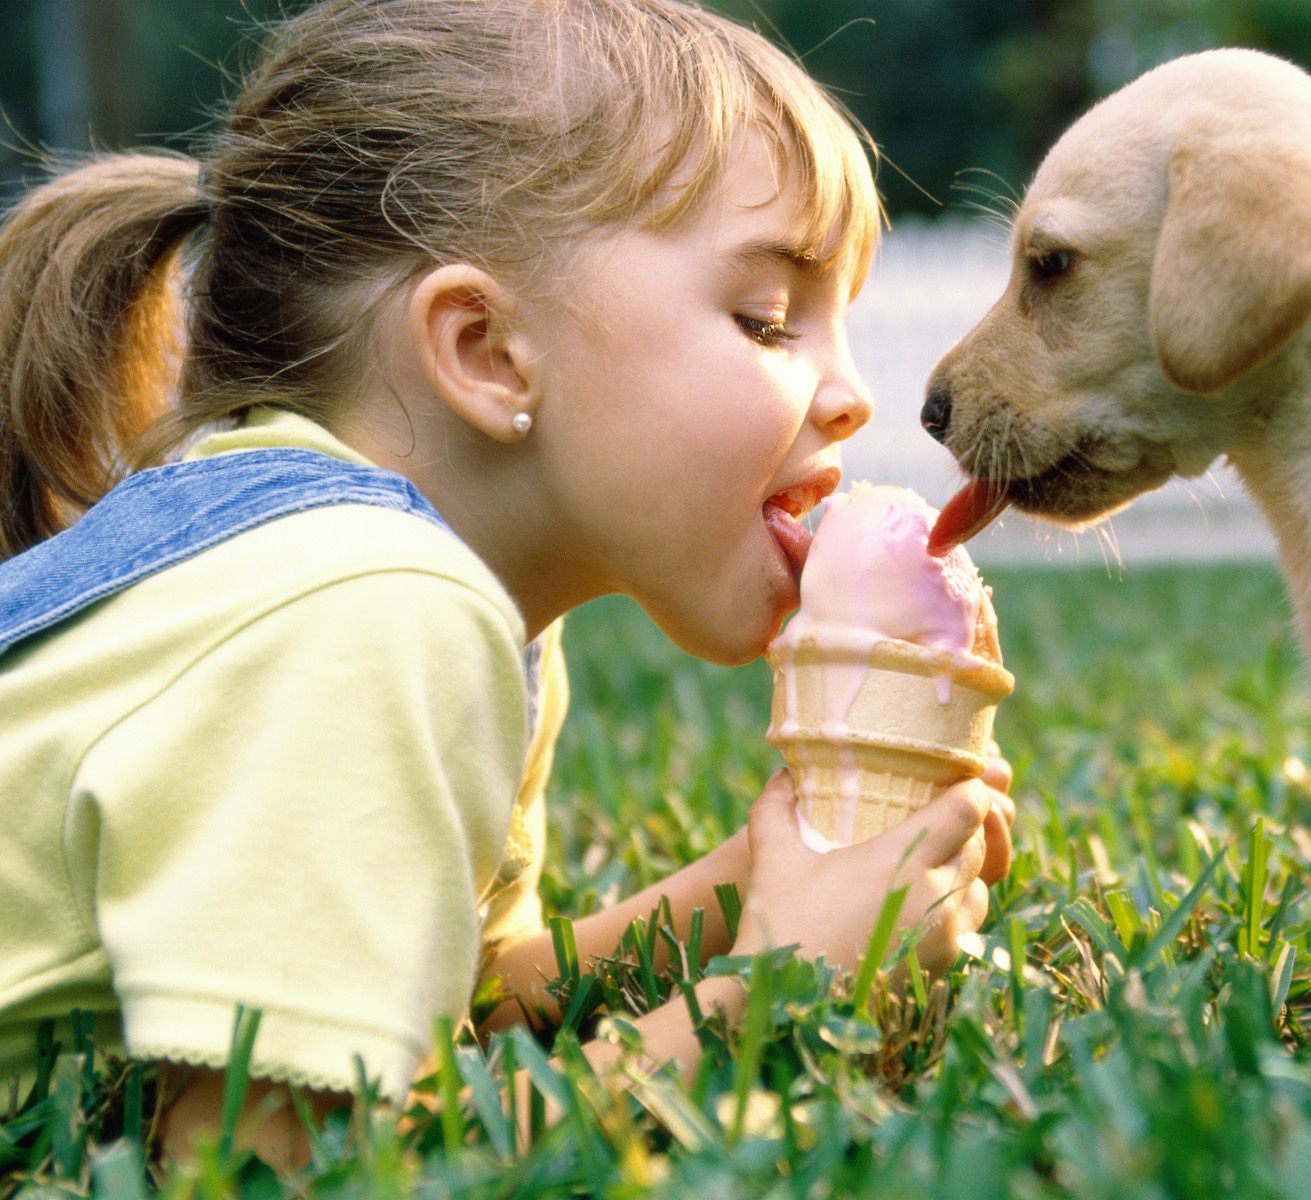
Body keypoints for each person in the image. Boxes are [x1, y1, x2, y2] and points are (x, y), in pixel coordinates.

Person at [0, 0, 1014, 1171]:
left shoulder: (437, 604)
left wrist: (746, 886)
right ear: (483, 349)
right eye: (768, 318)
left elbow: (469, 1010)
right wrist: (772, 992)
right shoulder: (365, 607)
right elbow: (268, 1164)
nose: (850, 394)